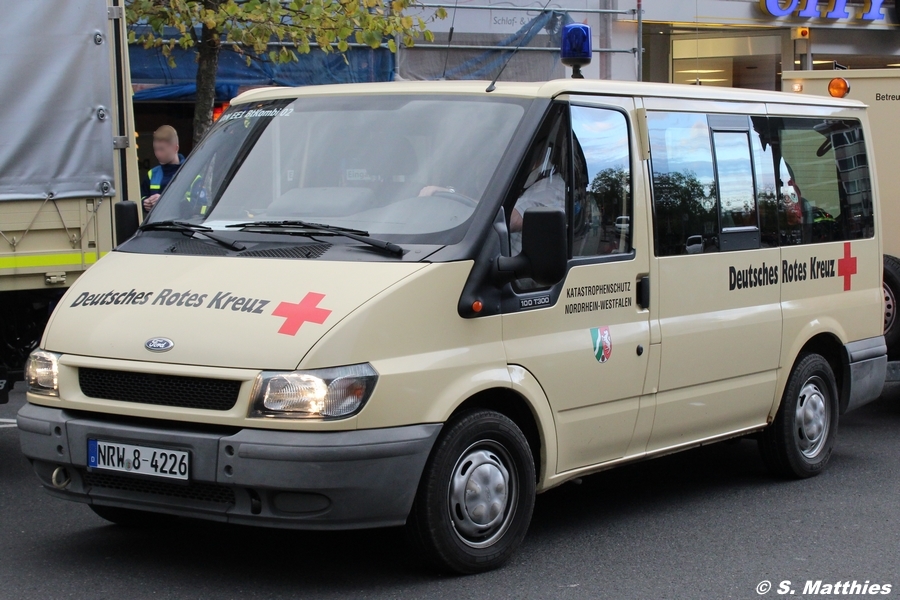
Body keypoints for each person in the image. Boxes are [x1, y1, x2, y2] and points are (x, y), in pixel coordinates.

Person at [140, 125, 185, 213]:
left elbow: (197, 207)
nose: (158, 154)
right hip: (156, 225)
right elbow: (141, 197)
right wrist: (145, 203)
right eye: (155, 149)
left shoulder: (190, 173)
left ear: (175, 148)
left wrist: (163, 202)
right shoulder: (152, 174)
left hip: (181, 225)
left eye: (161, 149)